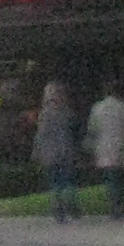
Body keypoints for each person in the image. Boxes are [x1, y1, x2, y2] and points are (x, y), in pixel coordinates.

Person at [33, 80, 82, 221]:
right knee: (68, 180)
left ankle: (58, 207)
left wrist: (37, 152)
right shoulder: (67, 112)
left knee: (55, 181)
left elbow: (41, 135)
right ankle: (71, 203)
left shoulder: (44, 114)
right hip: (66, 150)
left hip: (50, 153)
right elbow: (73, 130)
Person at [87, 86, 124, 216]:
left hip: (103, 146)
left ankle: (115, 205)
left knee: (110, 177)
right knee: (120, 177)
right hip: (120, 145)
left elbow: (93, 128)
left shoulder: (97, 108)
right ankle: (120, 204)